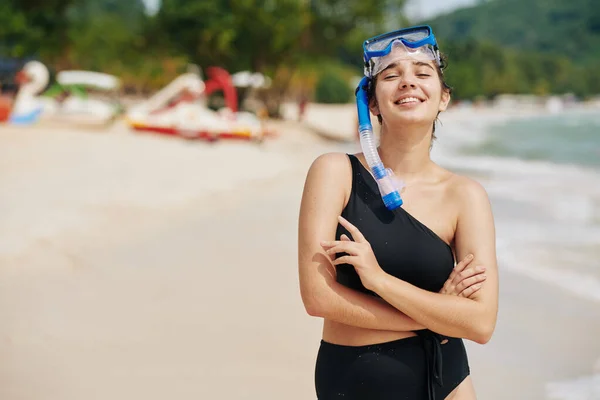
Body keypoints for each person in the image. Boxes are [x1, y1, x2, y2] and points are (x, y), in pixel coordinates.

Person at [298, 25, 499, 400]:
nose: (408, 82)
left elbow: (481, 322)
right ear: (371, 103)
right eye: (391, 76)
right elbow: (318, 298)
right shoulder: (335, 172)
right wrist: (437, 317)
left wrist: (380, 281)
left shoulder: (465, 195)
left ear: (443, 99)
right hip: (355, 383)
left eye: (423, 74)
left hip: (449, 384)